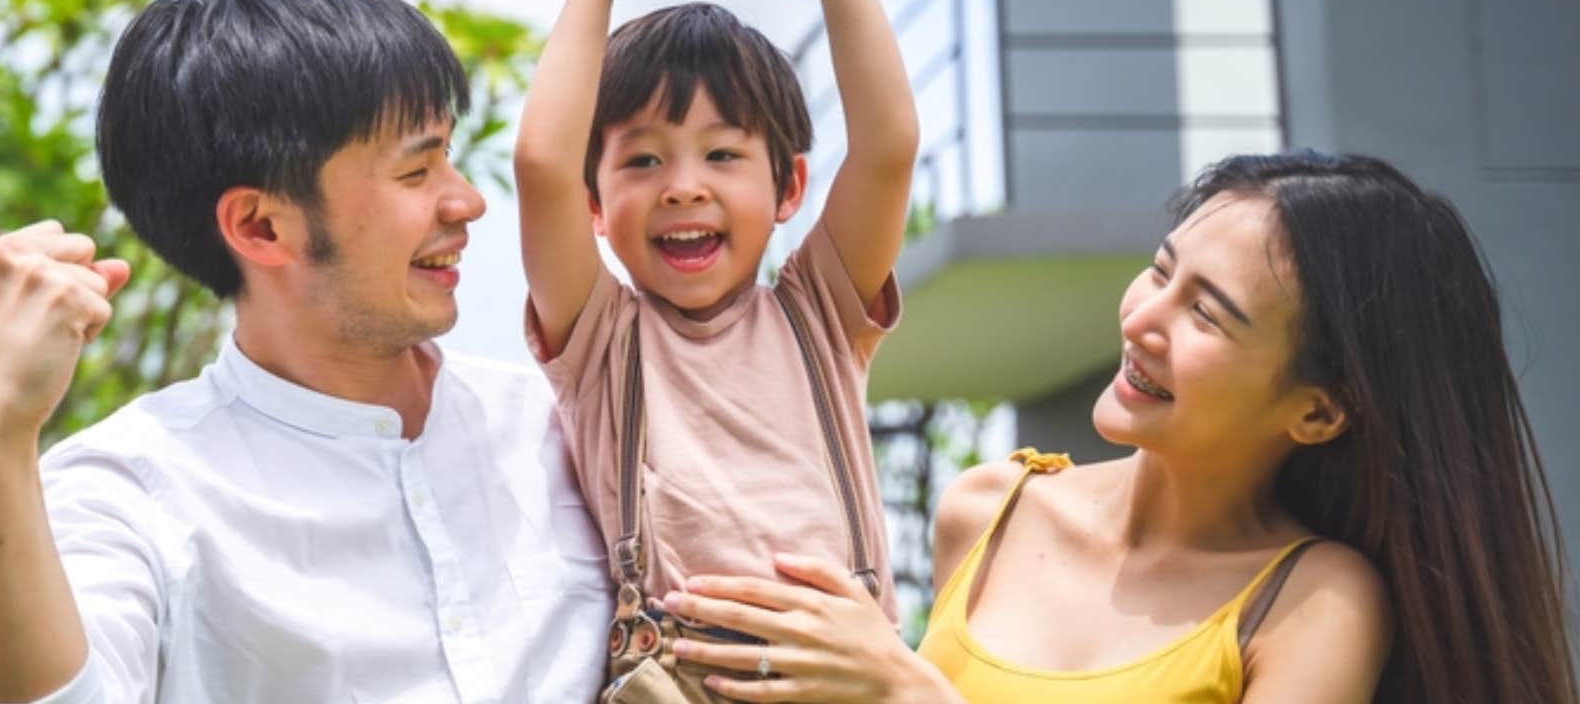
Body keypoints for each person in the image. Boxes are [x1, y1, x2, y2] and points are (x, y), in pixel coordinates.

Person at [652, 151, 1578, 704]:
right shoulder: (988, 508)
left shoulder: (1315, 603)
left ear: (1319, 409)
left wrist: (903, 685)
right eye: (1160, 270)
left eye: (1207, 314)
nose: (1142, 318)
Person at [0, 0, 610, 703]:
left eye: (450, 156)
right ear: (261, 227)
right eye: (416, 168)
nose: (466, 200)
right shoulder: (130, 489)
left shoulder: (564, 423)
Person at [514, 0, 919, 698]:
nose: (683, 187)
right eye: (644, 158)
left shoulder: (818, 313)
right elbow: (541, 162)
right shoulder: (601, 339)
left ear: (789, 191)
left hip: (844, 680)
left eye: (724, 154)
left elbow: (888, 145)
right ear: (595, 203)